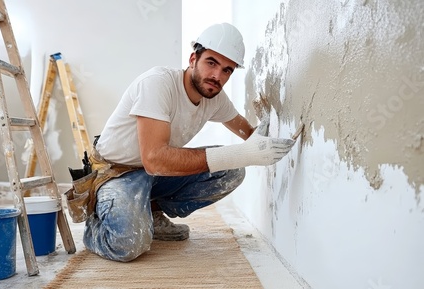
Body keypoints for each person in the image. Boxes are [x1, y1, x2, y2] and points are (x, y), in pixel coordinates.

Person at [82, 23, 295, 262]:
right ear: (194, 58)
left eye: (227, 70)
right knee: (128, 245)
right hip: (117, 174)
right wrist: (243, 153)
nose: (217, 76)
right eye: (211, 63)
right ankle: (97, 224)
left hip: (154, 175)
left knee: (232, 170)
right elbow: (153, 159)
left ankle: (152, 211)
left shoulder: (214, 97)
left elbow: (247, 133)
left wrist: (264, 136)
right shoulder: (158, 83)